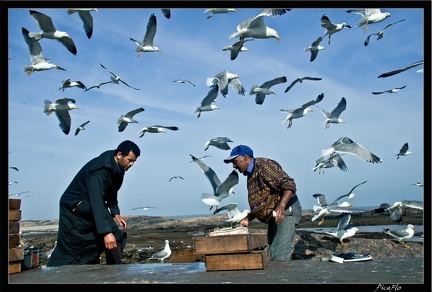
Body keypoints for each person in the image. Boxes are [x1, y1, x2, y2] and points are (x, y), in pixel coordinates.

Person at [47, 140, 141, 266]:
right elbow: (96, 200)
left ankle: (115, 270)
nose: (131, 164)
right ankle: (115, 271)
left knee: (115, 234)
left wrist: (115, 213)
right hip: (74, 207)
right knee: (77, 245)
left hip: (90, 203)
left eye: (134, 161)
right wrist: (106, 232)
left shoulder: (119, 167)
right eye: (130, 160)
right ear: (119, 155)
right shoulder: (99, 170)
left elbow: (112, 191)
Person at [224, 145, 302, 260]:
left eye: (235, 161)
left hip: (285, 212)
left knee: (279, 256)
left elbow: (289, 184)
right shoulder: (250, 174)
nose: (234, 166)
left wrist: (281, 206)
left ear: (246, 158)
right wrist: (248, 218)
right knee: (271, 253)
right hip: (273, 216)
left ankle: (282, 277)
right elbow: (261, 203)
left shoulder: (264, 166)